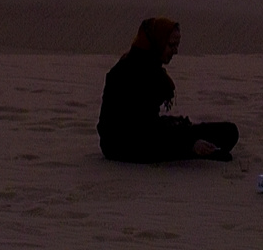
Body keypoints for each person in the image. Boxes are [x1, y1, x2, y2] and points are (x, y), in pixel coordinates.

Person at [97, 17, 238, 163]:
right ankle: (196, 151)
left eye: (177, 45)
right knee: (226, 133)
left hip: (125, 142)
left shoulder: (142, 64)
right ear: (158, 42)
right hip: (127, 146)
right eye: (171, 45)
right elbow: (144, 130)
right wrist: (189, 143)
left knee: (228, 132)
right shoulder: (139, 72)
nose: (175, 51)